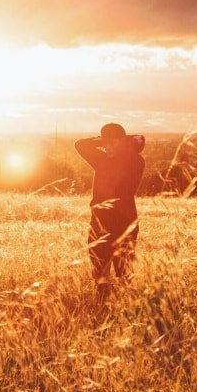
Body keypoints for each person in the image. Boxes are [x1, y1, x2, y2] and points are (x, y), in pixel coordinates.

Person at [75, 123, 145, 309]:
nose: (108, 148)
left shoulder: (135, 161)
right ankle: (103, 312)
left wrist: (127, 142)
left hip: (124, 224)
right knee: (100, 276)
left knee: (124, 275)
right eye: (105, 144)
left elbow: (132, 155)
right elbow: (80, 145)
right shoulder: (101, 159)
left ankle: (127, 313)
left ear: (123, 142)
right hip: (99, 224)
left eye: (112, 143)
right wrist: (106, 140)